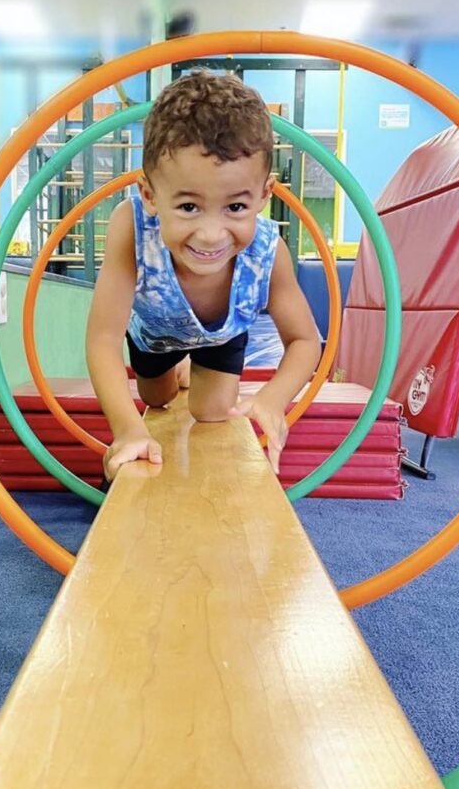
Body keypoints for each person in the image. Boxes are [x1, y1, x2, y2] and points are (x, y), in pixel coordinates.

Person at [86, 72, 322, 482]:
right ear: (150, 195)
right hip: (155, 334)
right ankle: (177, 370)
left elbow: (304, 341)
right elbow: (103, 339)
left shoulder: (268, 251)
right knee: (156, 399)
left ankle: (194, 366)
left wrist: (272, 399)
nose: (211, 235)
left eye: (235, 207)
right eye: (189, 207)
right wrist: (128, 430)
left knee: (212, 412)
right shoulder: (132, 227)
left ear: (264, 195)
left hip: (221, 335)